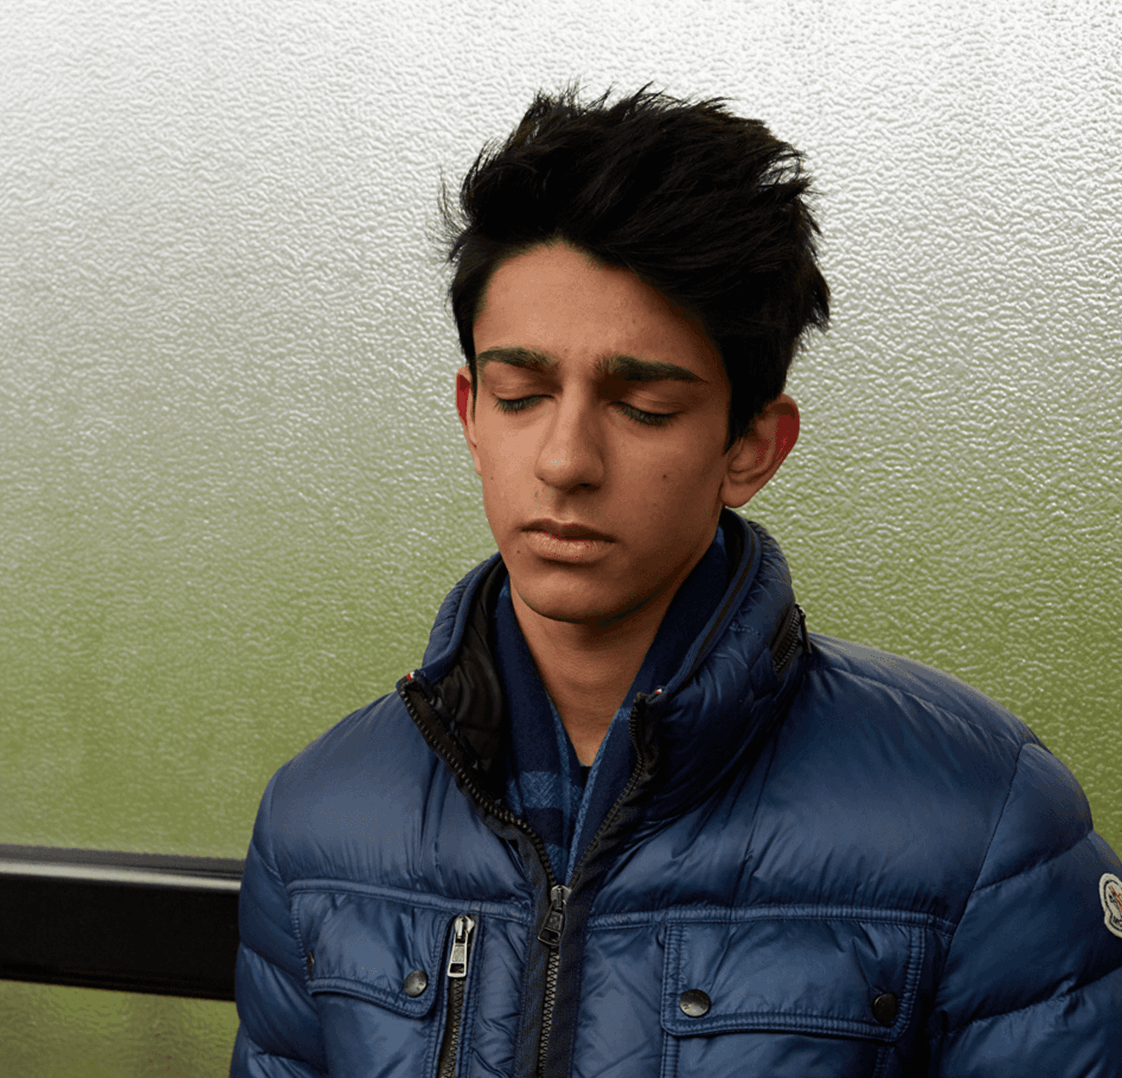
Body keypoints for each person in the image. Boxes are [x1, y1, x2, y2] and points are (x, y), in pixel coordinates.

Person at [230, 86, 1122, 1076]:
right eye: (520, 395)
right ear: (470, 412)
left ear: (751, 445)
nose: (566, 458)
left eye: (644, 405)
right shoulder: (319, 819)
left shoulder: (985, 819)